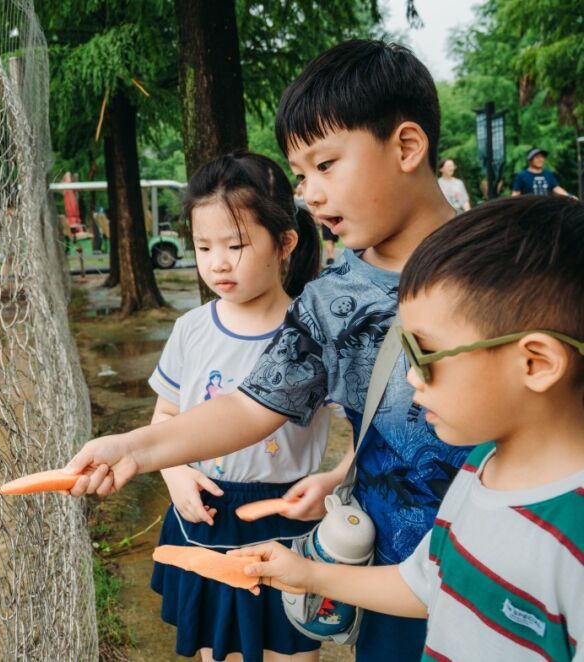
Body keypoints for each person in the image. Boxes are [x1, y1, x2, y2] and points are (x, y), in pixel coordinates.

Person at [64, 40, 472, 661]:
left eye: (326, 165)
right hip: (391, 574)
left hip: (510, 562)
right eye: (301, 176)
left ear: (407, 146)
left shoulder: (516, 268)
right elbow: (250, 405)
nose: (311, 195)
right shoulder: (330, 300)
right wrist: (135, 449)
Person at [232, 195, 584, 662]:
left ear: (536, 363)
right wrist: (309, 575)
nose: (411, 378)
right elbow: (426, 582)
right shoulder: (480, 469)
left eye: (424, 354)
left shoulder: (572, 536)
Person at [148, 153, 328, 662]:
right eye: (204, 247)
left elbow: (364, 430)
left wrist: (335, 487)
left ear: (285, 243)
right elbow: (165, 417)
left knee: (291, 650)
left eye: (236, 245)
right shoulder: (191, 329)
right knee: (218, 649)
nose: (218, 263)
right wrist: (174, 473)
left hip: (287, 517)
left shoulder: (315, 332)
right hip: (206, 516)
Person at [295, 183, 336, 265]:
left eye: (301, 187)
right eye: (298, 187)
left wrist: (318, 220)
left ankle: (321, 260)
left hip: (311, 223)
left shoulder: (307, 198)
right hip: (298, 224)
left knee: (314, 241)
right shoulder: (294, 199)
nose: (300, 189)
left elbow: (314, 210)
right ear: (296, 189)